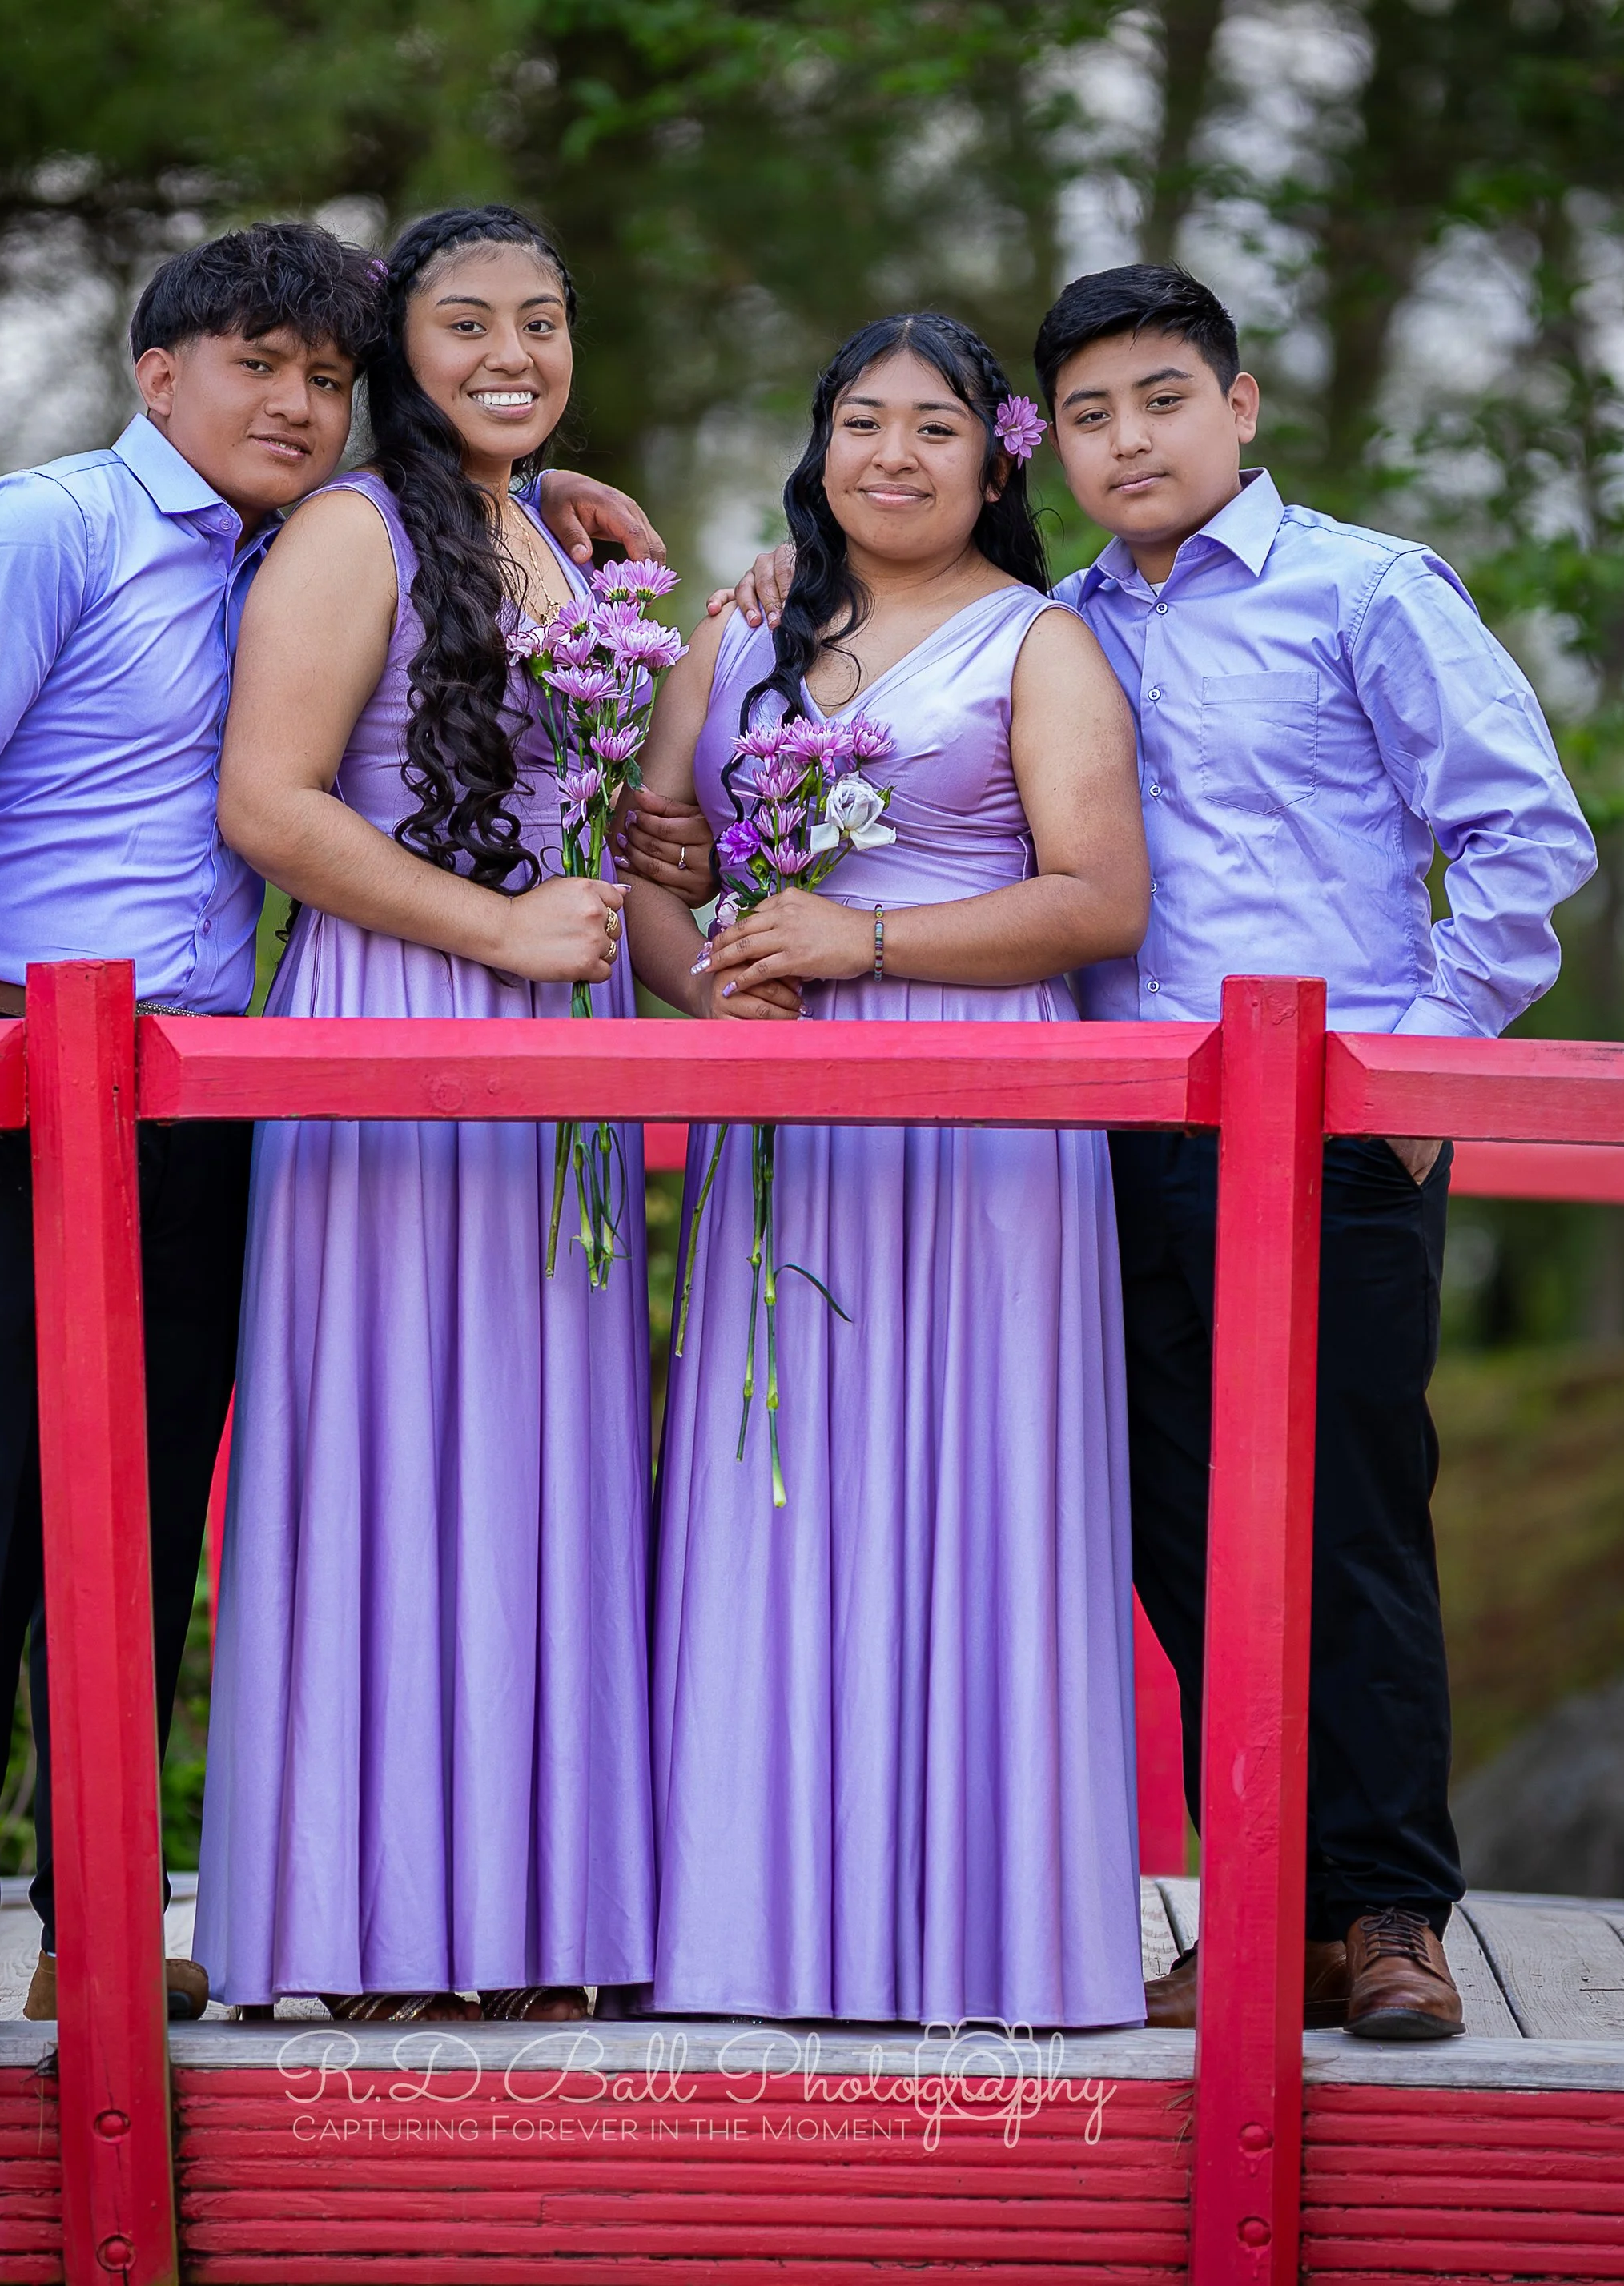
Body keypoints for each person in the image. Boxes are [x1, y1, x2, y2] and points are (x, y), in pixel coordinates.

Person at [715, 265, 1597, 2040]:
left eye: (1163, 399)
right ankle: (1271, 1906)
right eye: (1094, 412)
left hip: (1331, 1127)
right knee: (1172, 1525)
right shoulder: (1059, 621)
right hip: (1109, 1125)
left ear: (1240, 404)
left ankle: (1392, 1906)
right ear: (1056, 440)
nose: (1130, 439)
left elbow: (1518, 837)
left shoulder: (1363, 589)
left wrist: (1415, 1074)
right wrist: (763, 576)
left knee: (1347, 1515)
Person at [0, 218, 676, 2078]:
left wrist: (523, 495)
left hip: (210, 1083)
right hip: (0, 1067)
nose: (291, 401)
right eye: (253, 366)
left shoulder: (295, 544)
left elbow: (409, 672)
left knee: (142, 1501)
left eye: (320, 374)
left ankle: (96, 1922)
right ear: (159, 374)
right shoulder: (49, 522)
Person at [194, 206, 693, 2024]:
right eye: (467, 320)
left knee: (543, 1460)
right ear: (400, 348)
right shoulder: (349, 529)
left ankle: (532, 1909)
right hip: (401, 1018)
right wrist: (493, 927)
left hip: (565, 1035)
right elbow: (271, 797)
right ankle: (378, 1918)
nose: (512, 350)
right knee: (407, 1451)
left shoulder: (542, 532)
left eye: (544, 321)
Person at [625, 313, 1151, 2029]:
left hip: (986, 1123)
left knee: (971, 1489)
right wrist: (714, 970)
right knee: (773, 1485)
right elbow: (654, 857)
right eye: (861, 423)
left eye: (933, 428)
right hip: (781, 1126)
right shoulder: (743, 627)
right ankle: (748, 1927)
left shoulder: (1041, 643)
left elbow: (1094, 900)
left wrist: (857, 937)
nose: (893, 457)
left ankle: (981, 1935)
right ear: (820, 441)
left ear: (992, 459)